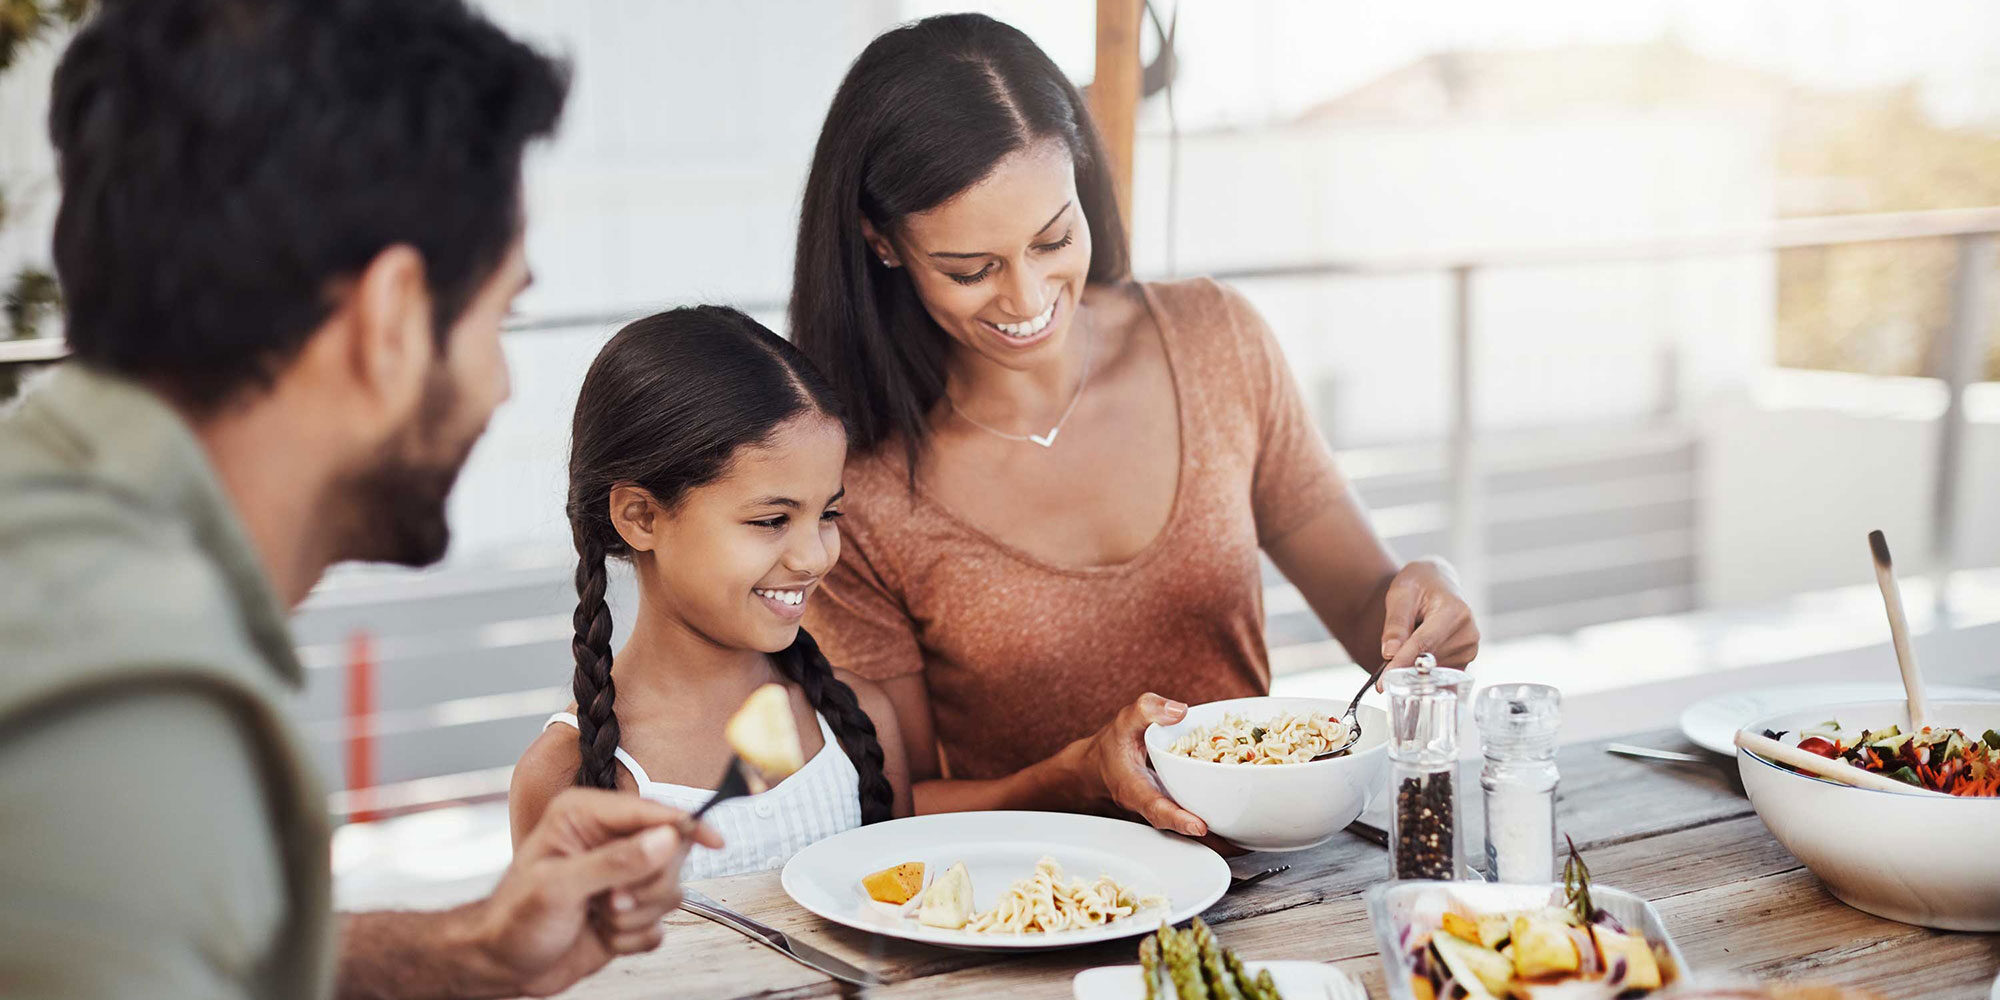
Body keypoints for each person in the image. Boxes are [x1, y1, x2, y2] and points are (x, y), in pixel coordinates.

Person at [0, 1, 718, 997]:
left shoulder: (56, 526)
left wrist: (460, 953)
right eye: (497, 314)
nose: (503, 385)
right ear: (388, 321)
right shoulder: (134, 706)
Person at [791, 13, 1482, 838]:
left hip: (1268, 883)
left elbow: (1377, 623)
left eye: (1053, 239)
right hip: (1034, 913)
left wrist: (1427, 593)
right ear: (883, 244)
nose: (1027, 297)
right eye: (971, 270)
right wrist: (1077, 779)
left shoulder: (1213, 340)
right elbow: (889, 804)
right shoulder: (855, 483)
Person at [509, 306, 912, 877]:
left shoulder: (860, 721)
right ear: (641, 517)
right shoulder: (566, 777)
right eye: (772, 520)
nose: (816, 556)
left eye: (829, 513)